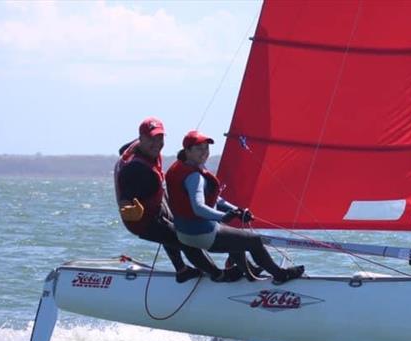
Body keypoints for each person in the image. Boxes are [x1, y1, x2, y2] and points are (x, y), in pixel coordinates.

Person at [165, 130, 304, 284]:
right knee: (254, 240)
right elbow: (198, 207)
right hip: (201, 234)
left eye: (206, 148)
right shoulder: (194, 176)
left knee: (234, 236)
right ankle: (279, 275)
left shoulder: (180, 167)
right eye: (199, 148)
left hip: (184, 234)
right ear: (187, 151)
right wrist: (222, 216)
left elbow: (214, 199)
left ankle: (250, 273)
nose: (204, 152)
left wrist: (237, 211)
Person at [115, 117, 237, 283]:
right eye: (151, 139)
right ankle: (218, 275)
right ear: (142, 138)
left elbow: (124, 149)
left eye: (160, 138)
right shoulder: (135, 170)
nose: (157, 143)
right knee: (184, 239)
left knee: (174, 228)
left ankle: (182, 270)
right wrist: (129, 210)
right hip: (142, 221)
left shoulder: (140, 147)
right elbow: (125, 198)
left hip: (156, 205)